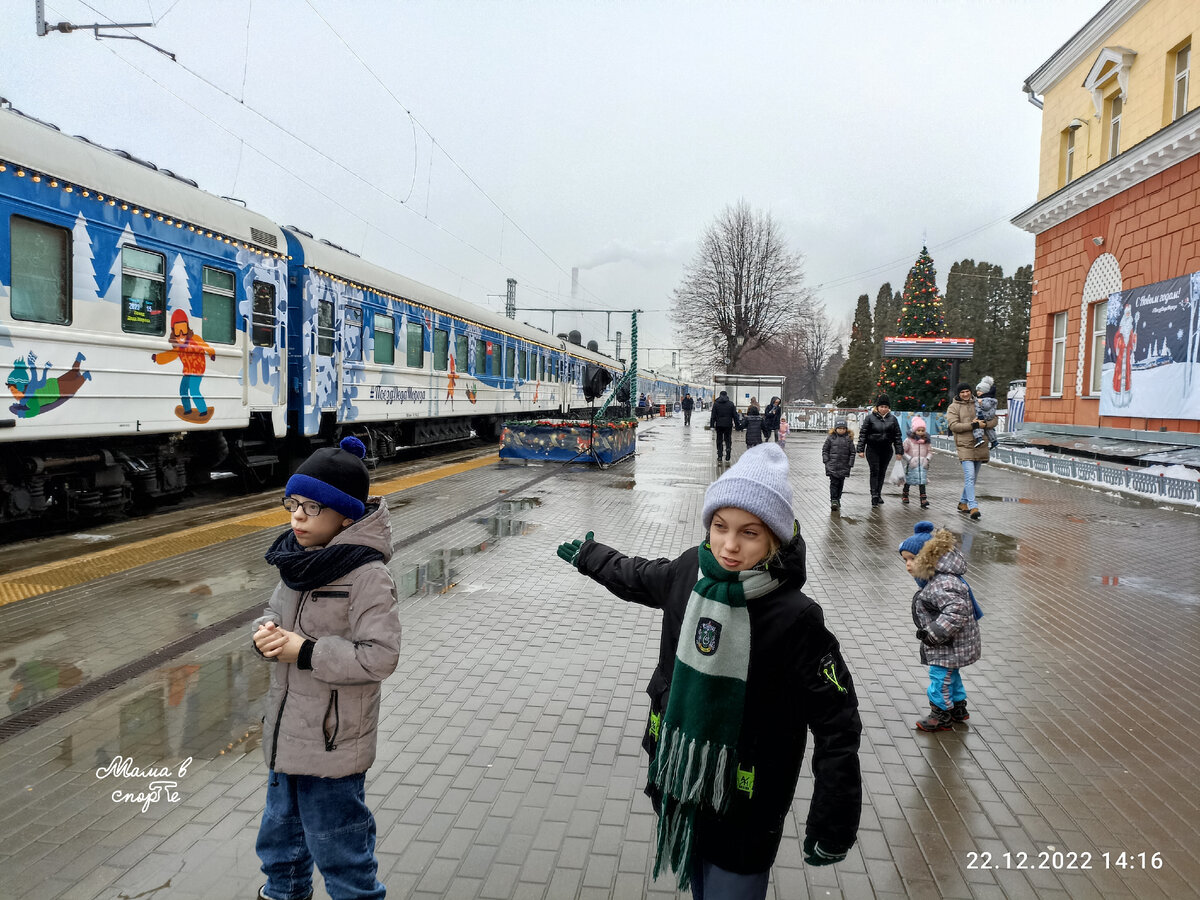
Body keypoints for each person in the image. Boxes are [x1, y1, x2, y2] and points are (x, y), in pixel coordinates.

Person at [555, 444, 862, 896]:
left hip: (747, 799)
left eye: (750, 533)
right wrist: (591, 556)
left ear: (774, 538)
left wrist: (834, 820)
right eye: (720, 527)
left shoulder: (796, 617)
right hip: (681, 779)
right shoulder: (688, 573)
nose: (730, 545)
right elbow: (637, 574)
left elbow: (838, 723)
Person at [252, 436, 400, 900]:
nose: (296, 516)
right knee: (279, 850)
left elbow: (380, 655)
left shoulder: (367, 575)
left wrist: (309, 652)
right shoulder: (297, 563)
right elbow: (278, 619)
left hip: (332, 748)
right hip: (284, 739)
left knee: (342, 855)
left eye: (311, 508)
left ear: (346, 516)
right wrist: (265, 636)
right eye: (292, 504)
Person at [898, 521, 981, 732]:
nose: (908, 564)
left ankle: (940, 714)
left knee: (939, 677)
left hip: (946, 643)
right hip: (951, 643)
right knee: (950, 675)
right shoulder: (937, 579)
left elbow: (956, 611)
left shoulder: (942, 583)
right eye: (905, 559)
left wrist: (933, 633)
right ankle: (958, 708)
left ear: (929, 559)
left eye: (913, 559)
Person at [946, 382, 997, 520]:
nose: (965, 394)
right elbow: (953, 426)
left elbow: (994, 419)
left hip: (980, 444)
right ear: (959, 394)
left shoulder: (980, 403)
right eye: (962, 392)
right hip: (965, 445)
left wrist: (984, 424)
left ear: (971, 391)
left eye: (967, 391)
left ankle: (963, 503)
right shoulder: (953, 407)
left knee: (972, 478)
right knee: (969, 476)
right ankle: (973, 506)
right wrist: (973, 424)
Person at [855, 394, 903, 506]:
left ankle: (879, 494)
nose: (884, 409)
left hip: (886, 450)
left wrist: (899, 451)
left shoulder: (893, 419)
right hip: (873, 449)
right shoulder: (869, 418)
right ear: (877, 407)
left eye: (886, 407)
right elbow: (863, 434)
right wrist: (860, 449)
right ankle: (874, 495)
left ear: (889, 408)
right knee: (874, 471)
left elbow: (897, 436)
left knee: (882, 473)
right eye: (881, 406)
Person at [821, 417, 855, 510]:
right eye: (840, 428)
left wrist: (850, 463)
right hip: (833, 466)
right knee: (834, 483)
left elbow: (852, 452)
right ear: (836, 429)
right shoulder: (831, 438)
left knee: (840, 484)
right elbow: (825, 450)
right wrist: (826, 461)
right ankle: (833, 500)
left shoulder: (849, 439)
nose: (842, 430)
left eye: (843, 428)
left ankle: (838, 498)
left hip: (844, 466)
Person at [901, 415, 932, 509]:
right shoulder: (908, 441)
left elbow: (930, 451)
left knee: (922, 481)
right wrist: (909, 459)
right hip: (912, 464)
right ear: (914, 430)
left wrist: (927, 459)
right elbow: (903, 451)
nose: (920, 432)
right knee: (909, 480)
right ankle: (905, 494)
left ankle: (923, 499)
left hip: (923, 464)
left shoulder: (926, 441)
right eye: (918, 430)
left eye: (923, 430)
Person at [709, 390, 739, 464]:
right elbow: (735, 416)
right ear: (726, 395)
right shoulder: (731, 404)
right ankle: (728, 451)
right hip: (728, 425)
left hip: (719, 425)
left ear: (720, 395)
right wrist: (737, 425)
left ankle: (719, 455)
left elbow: (713, 415)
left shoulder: (716, 404)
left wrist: (712, 425)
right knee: (728, 439)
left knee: (719, 440)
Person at [973, 377, 999, 449]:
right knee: (989, 429)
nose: (978, 392)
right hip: (989, 416)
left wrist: (980, 403)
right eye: (977, 391)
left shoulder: (985, 399)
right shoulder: (991, 399)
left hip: (984, 415)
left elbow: (986, 406)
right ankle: (994, 441)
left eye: (980, 391)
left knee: (978, 425)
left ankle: (979, 438)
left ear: (985, 391)